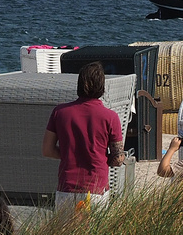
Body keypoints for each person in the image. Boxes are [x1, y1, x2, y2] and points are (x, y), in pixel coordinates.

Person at [42, 62, 124, 214]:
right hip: (96, 187)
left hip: (67, 186)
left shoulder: (60, 112)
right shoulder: (110, 117)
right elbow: (118, 158)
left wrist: (69, 155)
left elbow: (47, 150)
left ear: (79, 83)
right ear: (102, 86)